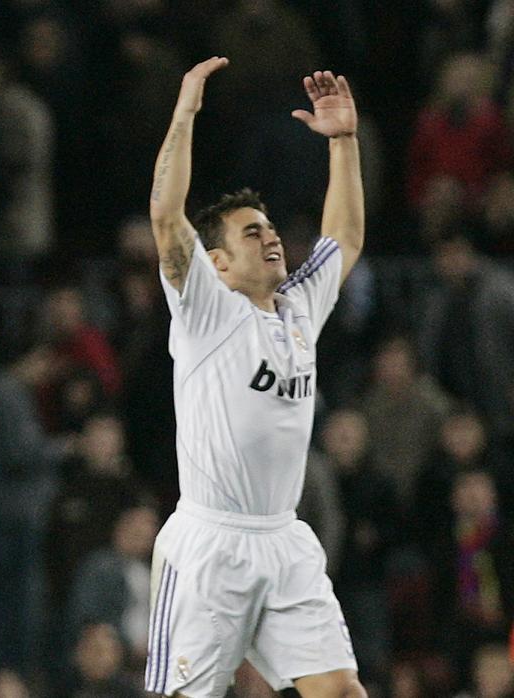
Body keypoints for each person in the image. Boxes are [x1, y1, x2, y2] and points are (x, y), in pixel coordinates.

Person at [144, 57, 366, 697]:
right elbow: (165, 215)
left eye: (269, 227)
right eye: (251, 232)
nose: (270, 238)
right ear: (216, 262)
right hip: (210, 545)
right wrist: (185, 113)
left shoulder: (298, 306)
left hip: (285, 539)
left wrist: (345, 143)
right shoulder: (206, 311)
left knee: (343, 693)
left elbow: (344, 237)